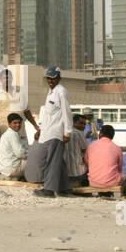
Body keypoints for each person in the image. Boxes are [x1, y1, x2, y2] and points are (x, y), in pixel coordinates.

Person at [33, 65, 74, 198]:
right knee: (57, 160)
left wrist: (67, 132)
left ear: (59, 78)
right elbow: (48, 115)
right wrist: (40, 129)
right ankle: (65, 188)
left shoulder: (61, 92)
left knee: (52, 161)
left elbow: (67, 112)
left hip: (56, 132)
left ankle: (49, 190)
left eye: (54, 78)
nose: (51, 81)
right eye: (49, 78)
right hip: (48, 131)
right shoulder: (51, 92)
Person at [0, 69, 35, 144]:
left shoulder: (20, 94)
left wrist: (35, 126)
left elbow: (27, 112)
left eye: (9, 77)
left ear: (12, 79)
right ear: (1, 80)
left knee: (23, 154)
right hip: (4, 132)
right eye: (4, 78)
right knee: (8, 155)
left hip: (21, 132)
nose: (7, 80)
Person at [85, 124, 125, 189]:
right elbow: (119, 168)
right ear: (112, 136)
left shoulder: (91, 145)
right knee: (125, 176)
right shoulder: (117, 148)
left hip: (93, 182)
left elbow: (87, 162)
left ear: (100, 133)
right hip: (112, 183)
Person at [0, 113, 29, 180]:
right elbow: (20, 154)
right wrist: (30, 153)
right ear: (9, 124)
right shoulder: (12, 134)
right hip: (11, 169)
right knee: (35, 160)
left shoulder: (8, 134)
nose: (18, 125)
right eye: (15, 123)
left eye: (19, 123)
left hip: (4, 169)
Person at [65, 113, 89, 186]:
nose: (83, 126)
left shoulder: (65, 132)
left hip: (65, 171)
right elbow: (85, 149)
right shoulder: (78, 133)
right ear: (73, 123)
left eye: (85, 124)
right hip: (78, 173)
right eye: (81, 123)